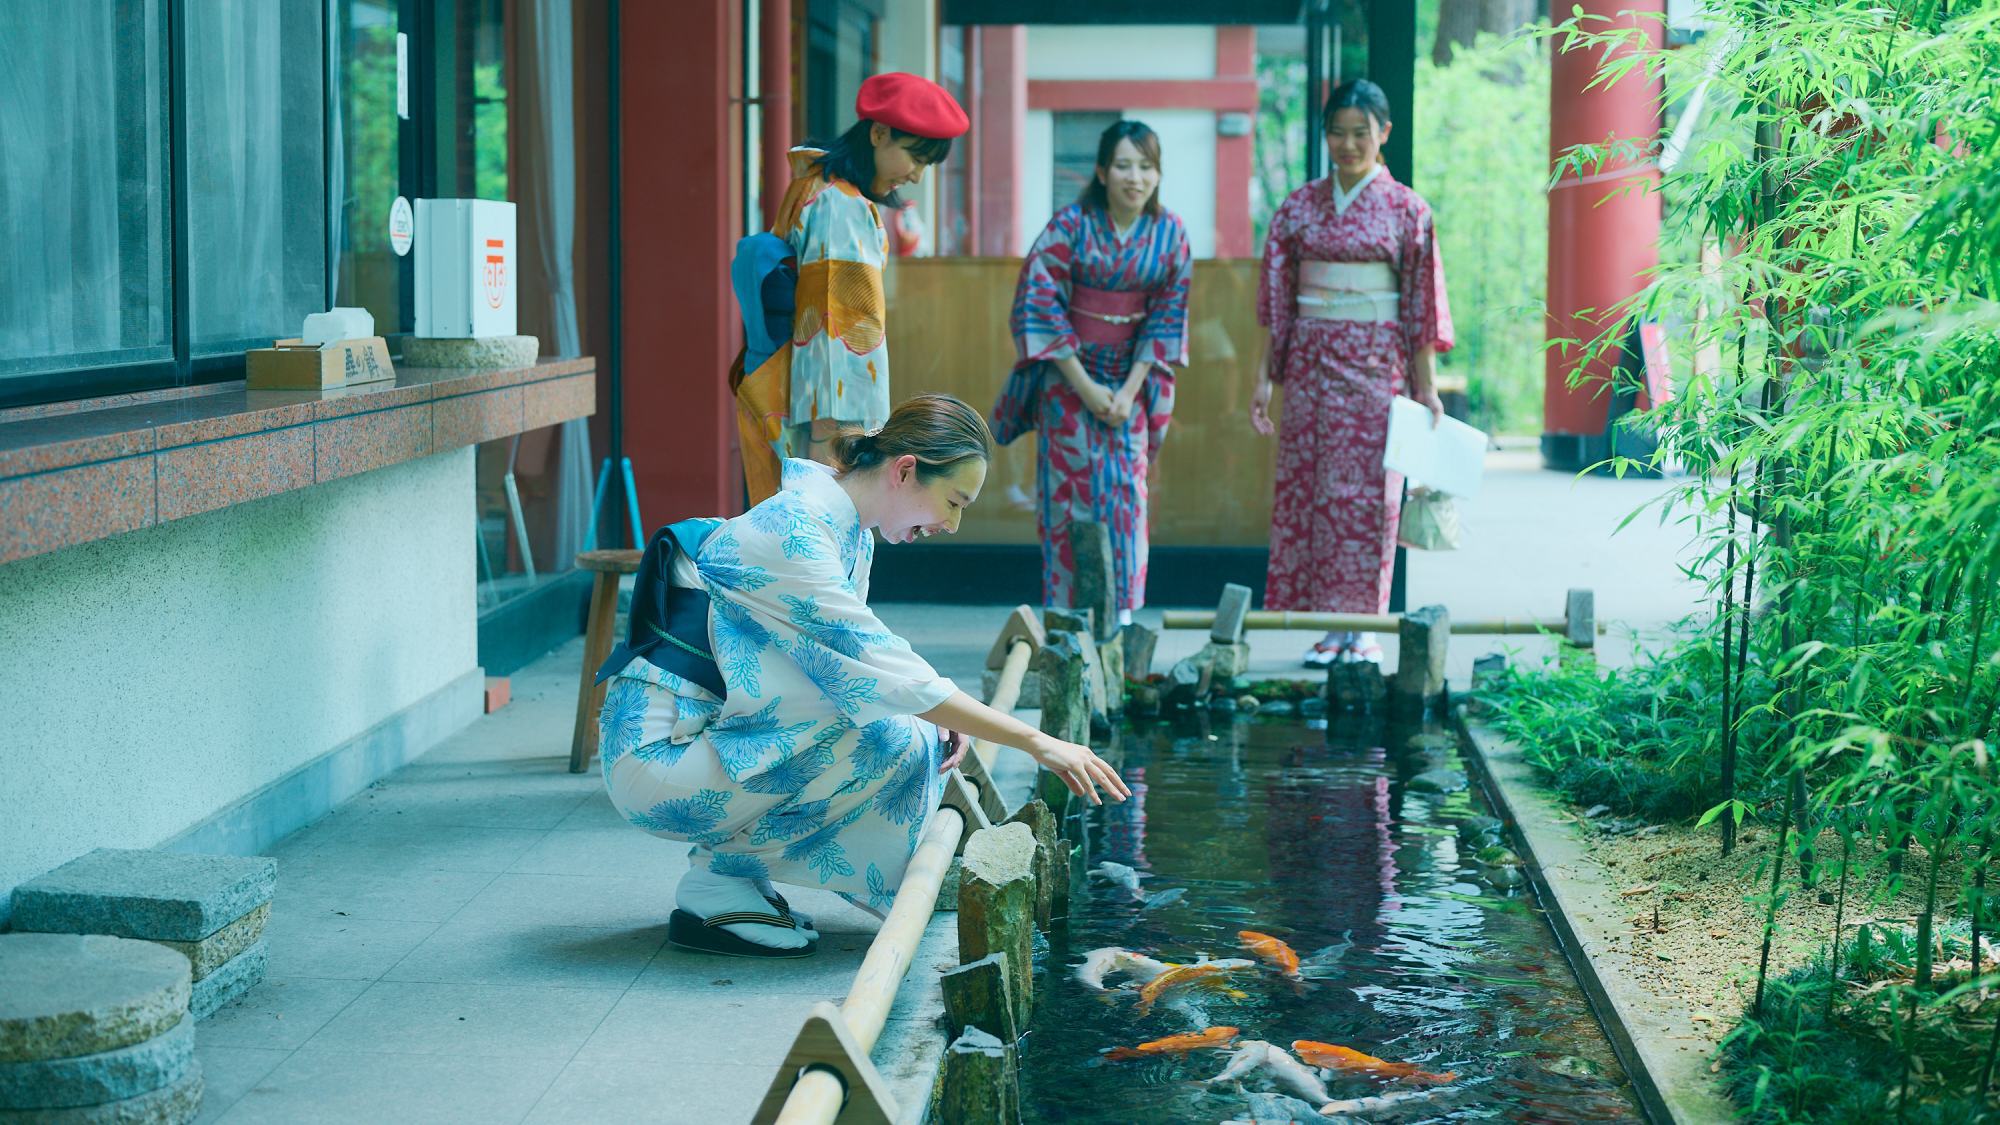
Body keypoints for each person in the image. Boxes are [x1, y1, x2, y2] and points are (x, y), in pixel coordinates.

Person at [599, 395, 1129, 958]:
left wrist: (933, 709)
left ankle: (730, 880)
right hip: (657, 760)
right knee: (894, 737)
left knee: (910, 730)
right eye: (953, 502)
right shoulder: (793, 534)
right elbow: (879, 669)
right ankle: (715, 886)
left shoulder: (844, 531)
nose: (951, 525)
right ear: (905, 470)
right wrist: (1037, 742)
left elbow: (872, 665)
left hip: (698, 737)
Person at [1249, 80, 1454, 668]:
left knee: (1371, 499)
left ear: (1383, 133)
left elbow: (1421, 306)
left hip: (1376, 370)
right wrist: (1265, 377)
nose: (1347, 144)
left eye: (1359, 132)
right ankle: (1325, 627)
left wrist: (1427, 386)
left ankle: (1361, 629)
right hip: (1310, 367)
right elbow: (1278, 300)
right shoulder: (1297, 207)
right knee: (1311, 493)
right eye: (1337, 132)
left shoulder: (1408, 210)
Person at [989, 121, 1191, 628]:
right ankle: (1065, 614)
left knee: (1127, 494)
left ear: (1158, 173)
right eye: (1123, 165)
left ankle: (1119, 615)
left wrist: (1126, 391)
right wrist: (1083, 384)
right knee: (1067, 495)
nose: (1135, 177)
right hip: (1068, 379)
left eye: (1146, 166)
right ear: (1102, 171)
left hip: (1132, 384)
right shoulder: (1070, 225)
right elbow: (1038, 303)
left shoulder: (1170, 233)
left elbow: (1168, 316)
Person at [732, 73, 969, 503]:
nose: (916, 175)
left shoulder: (815, 184)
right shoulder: (841, 205)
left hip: (792, 402)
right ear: (879, 134)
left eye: (926, 165)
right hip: (829, 432)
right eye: (915, 157)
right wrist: (840, 450)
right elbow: (835, 345)